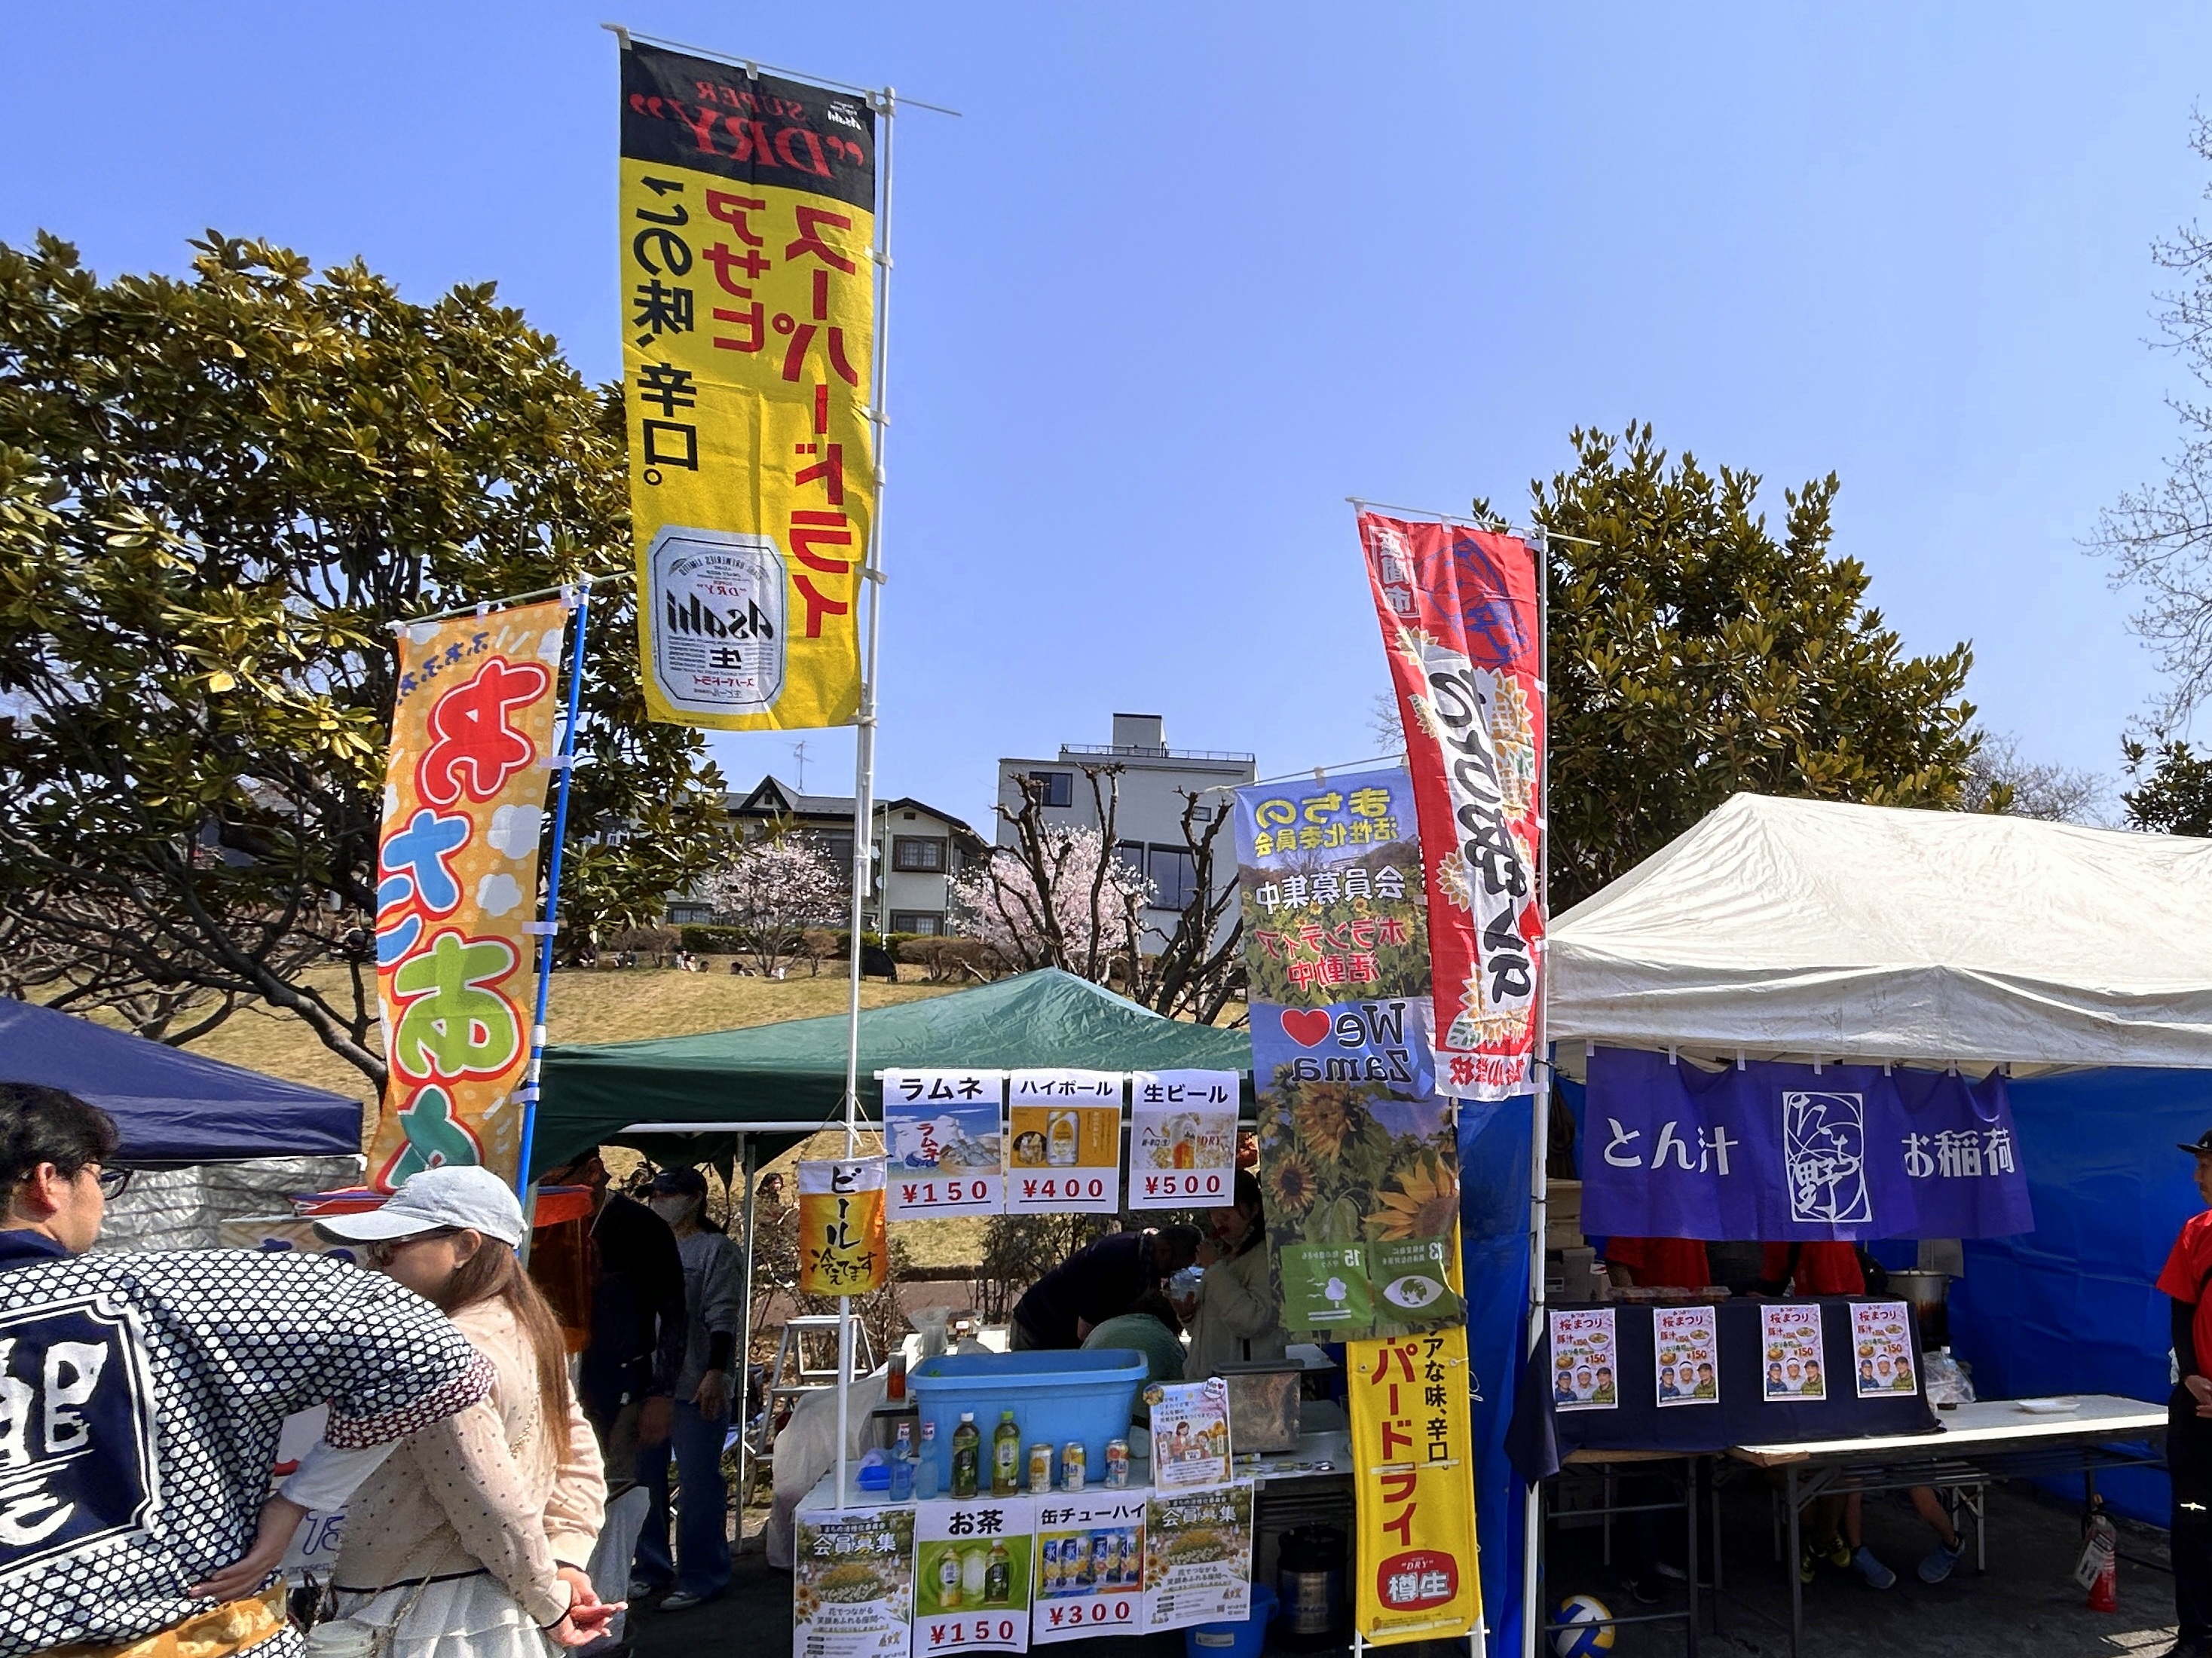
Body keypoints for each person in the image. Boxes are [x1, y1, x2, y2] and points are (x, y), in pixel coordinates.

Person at [0, 1085, 503, 1657]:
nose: (103, 1199)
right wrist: (297, 1502)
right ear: (48, 1182)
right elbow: (434, 1356)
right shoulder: (170, 1292)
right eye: (100, 1176)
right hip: (197, 1634)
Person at [314, 1167, 613, 1656]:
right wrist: (565, 1561)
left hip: (433, 1620)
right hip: (497, 1608)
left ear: (466, 1246)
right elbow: (576, 1459)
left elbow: (489, 1501)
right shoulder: (528, 1329)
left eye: (390, 1246)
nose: (372, 1262)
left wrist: (550, 1598)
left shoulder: (436, 1350)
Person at [536, 1149, 687, 1652]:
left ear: (593, 1171)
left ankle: (606, 1629)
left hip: (619, 1386)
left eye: (558, 1176)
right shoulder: (534, 1218)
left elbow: (673, 1314)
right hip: (550, 1385)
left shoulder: (639, 1227)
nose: (551, 1188)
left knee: (610, 1502)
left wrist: (661, 1393)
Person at [1761, 1240, 1965, 1585]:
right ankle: (1854, 1550)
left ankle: (1952, 1543)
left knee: (1920, 1492)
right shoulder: (1847, 1351)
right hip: (1863, 1430)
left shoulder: (1890, 1346)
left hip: (1900, 1431)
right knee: (1850, 1482)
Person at [633, 1167, 745, 1611]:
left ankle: (702, 1575)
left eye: (668, 1194)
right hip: (648, 1382)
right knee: (644, 1481)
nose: (659, 1201)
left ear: (695, 1197)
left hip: (697, 1380)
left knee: (698, 1483)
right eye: (654, 1194)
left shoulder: (716, 1249)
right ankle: (650, 1567)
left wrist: (716, 1371)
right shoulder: (646, 1246)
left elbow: (724, 1315)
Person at [2156, 1128, 2212, 1658]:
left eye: (2207, 1166)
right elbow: (2181, 1311)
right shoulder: (2197, 1231)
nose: (2198, 1177)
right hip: (2198, 1409)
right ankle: (2196, 1635)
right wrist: (2191, 1376)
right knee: (2193, 1518)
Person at [1010, 1225, 1204, 1350]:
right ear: (1164, 1251)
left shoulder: (1144, 1259)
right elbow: (1086, 1332)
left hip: (1061, 1333)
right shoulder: (1117, 1262)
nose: (1171, 1275)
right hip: (1037, 1330)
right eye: (1176, 1268)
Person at [1176, 1172, 1287, 1378]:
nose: (1220, 1218)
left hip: (1244, 1383)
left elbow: (1253, 1322)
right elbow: (1214, 1327)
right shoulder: (1225, 1257)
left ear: (1254, 1209)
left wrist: (1214, 1268)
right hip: (1214, 1380)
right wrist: (1188, 1315)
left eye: (1229, 1208)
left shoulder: (1265, 1256)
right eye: (1213, 1209)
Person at [1083, 1288, 1188, 1399]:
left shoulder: (1104, 1327)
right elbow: (1184, 1384)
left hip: (1084, 1399)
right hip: (1135, 1406)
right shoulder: (1167, 1342)